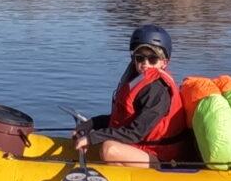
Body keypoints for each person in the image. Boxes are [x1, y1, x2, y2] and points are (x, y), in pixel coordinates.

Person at [71, 24, 195, 166]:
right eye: (140, 58)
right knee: (106, 143)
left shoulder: (159, 91)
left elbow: (135, 132)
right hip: (142, 148)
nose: (145, 64)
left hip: (163, 158)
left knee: (109, 149)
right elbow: (124, 119)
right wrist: (90, 124)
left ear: (164, 62)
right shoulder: (139, 82)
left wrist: (92, 138)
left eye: (152, 59)